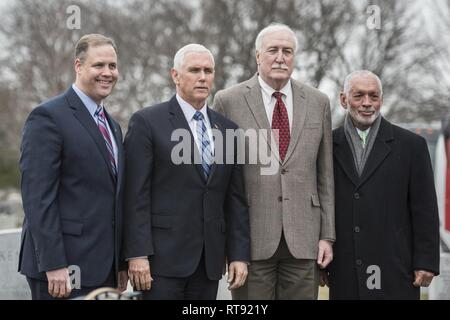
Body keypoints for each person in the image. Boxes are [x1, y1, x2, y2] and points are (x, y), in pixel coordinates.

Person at [213, 23, 335, 300]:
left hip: (304, 239)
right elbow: (219, 178)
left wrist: (327, 236)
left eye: (287, 51)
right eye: (273, 50)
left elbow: (325, 176)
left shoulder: (318, 102)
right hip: (250, 241)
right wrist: (226, 240)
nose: (281, 57)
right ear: (258, 56)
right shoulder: (228, 101)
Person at [122, 44, 250, 300]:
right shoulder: (147, 122)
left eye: (208, 70)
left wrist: (238, 255)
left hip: (208, 263)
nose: (202, 77)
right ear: (175, 75)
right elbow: (135, 195)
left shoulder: (229, 130)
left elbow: (235, 200)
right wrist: (137, 254)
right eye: (194, 70)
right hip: (161, 262)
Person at [19, 34, 127, 299]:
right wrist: (54, 263)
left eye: (112, 66)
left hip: (104, 270)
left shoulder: (113, 126)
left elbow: (113, 199)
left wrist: (120, 264)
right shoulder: (48, 117)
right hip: (62, 271)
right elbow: (37, 197)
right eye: (98, 65)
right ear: (78, 66)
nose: (107, 73)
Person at [323, 70, 440, 299]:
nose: (367, 103)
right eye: (359, 96)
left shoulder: (412, 146)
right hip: (344, 268)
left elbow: (424, 208)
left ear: (381, 100)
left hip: (396, 267)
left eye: (373, 96)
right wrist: (321, 263)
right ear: (343, 99)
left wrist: (426, 261)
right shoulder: (326, 144)